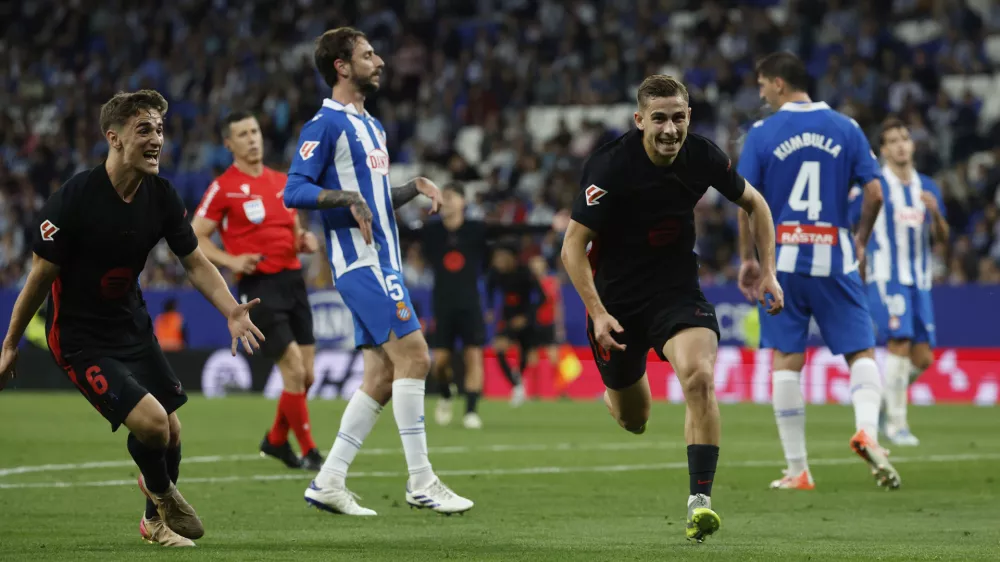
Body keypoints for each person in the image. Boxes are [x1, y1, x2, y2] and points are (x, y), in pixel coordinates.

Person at [0, 90, 264, 547]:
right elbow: (40, 277)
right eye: (144, 129)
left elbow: (195, 261)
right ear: (115, 138)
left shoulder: (160, 195)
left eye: (160, 130)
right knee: (154, 424)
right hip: (80, 336)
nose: (157, 139)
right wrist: (9, 344)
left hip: (131, 325)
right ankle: (161, 491)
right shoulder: (77, 198)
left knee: (172, 428)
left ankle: (154, 522)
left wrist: (230, 308)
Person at [561, 74, 783, 543]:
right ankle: (614, 394)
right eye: (658, 119)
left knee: (699, 377)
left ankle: (699, 502)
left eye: (678, 118)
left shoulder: (702, 156)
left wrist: (768, 271)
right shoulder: (609, 166)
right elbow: (572, 247)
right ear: (640, 120)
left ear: (689, 118)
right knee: (634, 420)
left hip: (675, 292)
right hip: (615, 303)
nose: (669, 129)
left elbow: (756, 205)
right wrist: (597, 312)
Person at [283, 27, 474, 516]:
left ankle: (329, 481)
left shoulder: (373, 127)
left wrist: (412, 187)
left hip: (382, 260)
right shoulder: (324, 125)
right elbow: (295, 190)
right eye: (369, 55)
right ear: (342, 67)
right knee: (417, 357)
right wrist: (345, 198)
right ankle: (421, 480)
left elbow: (372, 201)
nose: (381, 61)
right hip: (360, 263)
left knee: (382, 375)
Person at [735, 52, 900, 491]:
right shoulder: (846, 128)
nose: (761, 93)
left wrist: (749, 258)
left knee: (786, 360)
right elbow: (875, 193)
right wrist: (859, 240)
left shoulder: (763, 133)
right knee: (860, 352)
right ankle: (868, 428)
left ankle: (798, 469)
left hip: (782, 259)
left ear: (779, 84)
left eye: (763, 85)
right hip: (835, 252)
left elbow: (745, 200)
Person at [192, 110, 324, 470]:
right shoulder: (224, 186)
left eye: (255, 131)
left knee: (307, 375)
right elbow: (194, 236)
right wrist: (230, 261)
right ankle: (311, 451)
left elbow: (295, 232)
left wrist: (305, 241)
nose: (252, 138)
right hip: (258, 289)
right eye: (243, 134)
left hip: (294, 283)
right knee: (294, 369)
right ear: (229, 143)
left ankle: (277, 440)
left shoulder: (284, 181)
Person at [398, 182, 552, 429]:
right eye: (443, 197)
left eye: (451, 197)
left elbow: (510, 229)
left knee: (473, 356)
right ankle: (447, 393)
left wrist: (551, 226)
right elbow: (402, 231)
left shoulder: (475, 229)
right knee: (440, 362)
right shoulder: (432, 231)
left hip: (470, 304)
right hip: (443, 305)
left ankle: (471, 411)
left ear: (463, 202)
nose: (446, 201)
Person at [851, 117, 948, 446]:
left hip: (919, 281)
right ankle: (896, 425)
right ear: (883, 150)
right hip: (886, 277)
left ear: (913, 144)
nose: (900, 144)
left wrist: (935, 214)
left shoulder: (929, 187)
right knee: (900, 342)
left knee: (923, 359)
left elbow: (943, 239)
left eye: (904, 138)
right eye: (892, 140)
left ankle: (882, 403)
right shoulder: (876, 186)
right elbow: (853, 226)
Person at [485, 244, 547, 406]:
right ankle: (517, 385)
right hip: (508, 319)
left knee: (525, 355)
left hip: (526, 319)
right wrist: (490, 308)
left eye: (501, 258)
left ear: (512, 258)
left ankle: (519, 383)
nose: (498, 262)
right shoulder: (496, 274)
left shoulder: (525, 273)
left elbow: (541, 297)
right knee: (499, 348)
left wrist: (526, 317)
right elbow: (489, 288)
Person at [527, 255, 565, 394]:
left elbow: (558, 305)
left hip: (548, 324)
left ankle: (560, 391)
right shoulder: (528, 284)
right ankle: (533, 392)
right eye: (534, 266)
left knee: (555, 359)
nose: (536, 268)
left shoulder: (552, 282)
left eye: (539, 265)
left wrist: (560, 326)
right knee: (533, 360)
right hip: (534, 325)